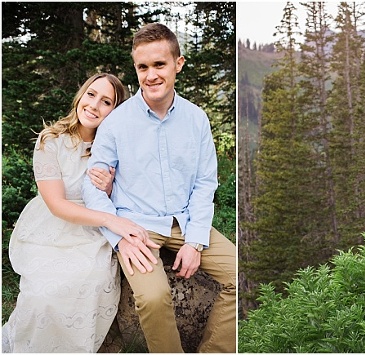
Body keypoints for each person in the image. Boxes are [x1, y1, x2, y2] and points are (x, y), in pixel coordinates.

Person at [82, 23, 236, 353]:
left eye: (159, 65)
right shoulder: (116, 123)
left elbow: (204, 183)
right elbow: (93, 187)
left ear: (177, 64)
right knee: (153, 296)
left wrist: (195, 241)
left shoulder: (196, 119)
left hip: (184, 222)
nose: (151, 75)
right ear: (136, 69)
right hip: (137, 228)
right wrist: (120, 237)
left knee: (240, 273)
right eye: (143, 67)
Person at [2, 73, 153, 352]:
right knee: (42, 296)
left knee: (90, 279)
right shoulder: (51, 140)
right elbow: (57, 204)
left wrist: (109, 189)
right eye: (91, 95)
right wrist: (111, 219)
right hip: (52, 227)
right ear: (80, 96)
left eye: (106, 101)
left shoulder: (112, 149)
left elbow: (131, 195)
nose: (94, 105)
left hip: (92, 232)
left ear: (114, 111)